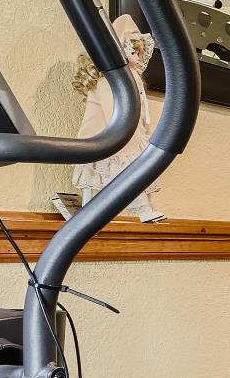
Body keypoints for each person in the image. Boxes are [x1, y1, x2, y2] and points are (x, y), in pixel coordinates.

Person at [66, 14, 164, 222]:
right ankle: (140, 209)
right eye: (133, 52)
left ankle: (129, 209)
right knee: (127, 170)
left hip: (123, 135)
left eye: (139, 53)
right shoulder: (109, 82)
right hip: (107, 137)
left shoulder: (128, 81)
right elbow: (116, 112)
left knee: (128, 170)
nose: (137, 59)